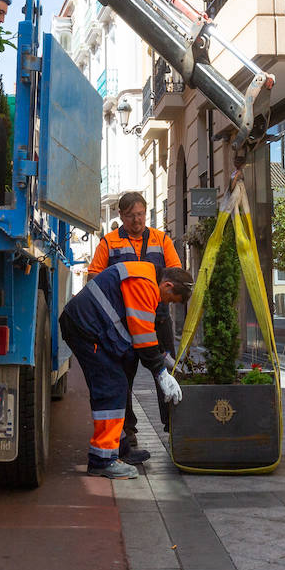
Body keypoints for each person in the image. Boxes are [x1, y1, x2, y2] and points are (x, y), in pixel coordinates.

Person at [59, 262, 195, 478]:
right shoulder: (146, 284)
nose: (165, 304)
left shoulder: (145, 276)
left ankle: (119, 448)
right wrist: (160, 373)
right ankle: (102, 460)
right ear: (167, 285)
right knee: (111, 387)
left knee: (116, 385)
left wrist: (162, 358)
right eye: (170, 299)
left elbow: (142, 329)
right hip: (86, 329)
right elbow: (142, 336)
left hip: (88, 326)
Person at [87, 191, 182, 456]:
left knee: (165, 374)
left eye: (140, 214)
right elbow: (94, 275)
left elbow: (175, 270)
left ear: (146, 212)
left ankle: (173, 425)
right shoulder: (109, 242)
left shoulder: (161, 240)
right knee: (122, 378)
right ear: (121, 216)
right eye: (131, 216)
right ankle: (128, 432)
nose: (137, 221)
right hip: (123, 324)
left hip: (157, 319)